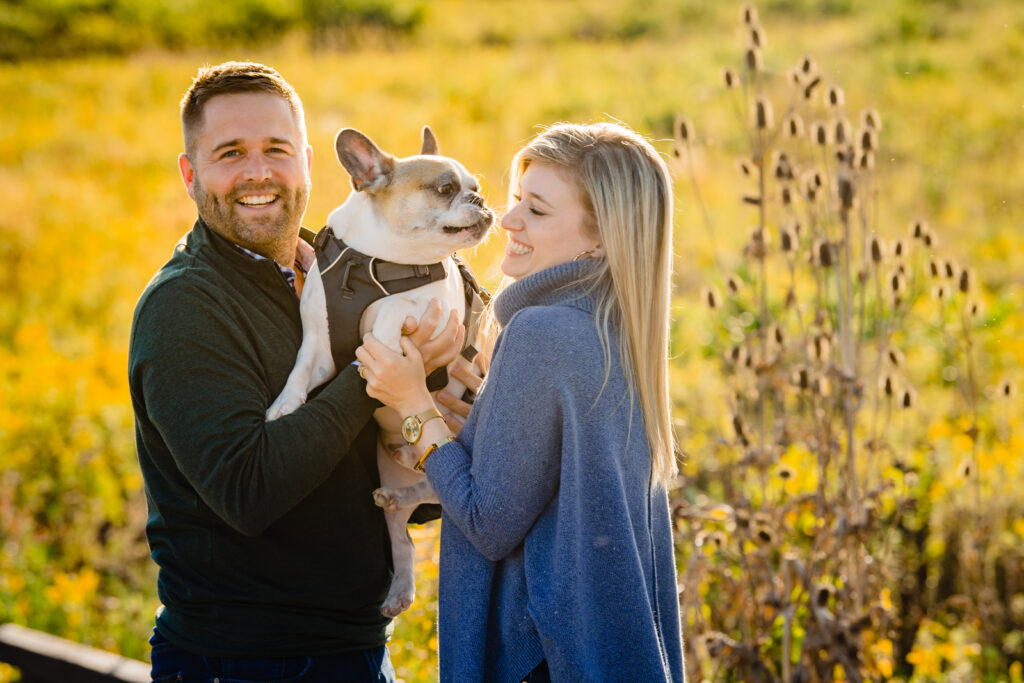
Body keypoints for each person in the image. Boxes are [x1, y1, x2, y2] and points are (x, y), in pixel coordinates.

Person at [128, 61, 460, 682]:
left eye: (276, 150)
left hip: (357, 650)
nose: (258, 172)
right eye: (230, 153)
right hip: (245, 661)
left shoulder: (345, 276)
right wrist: (380, 372)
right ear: (189, 172)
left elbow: (367, 489)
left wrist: (429, 409)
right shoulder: (184, 306)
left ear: (307, 162)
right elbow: (249, 492)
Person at [357, 122, 685, 682]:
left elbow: (488, 524)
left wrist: (414, 406)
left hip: (541, 660)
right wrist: (483, 432)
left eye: (535, 210)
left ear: (600, 237)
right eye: (513, 201)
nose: (506, 221)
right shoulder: (613, 326)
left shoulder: (542, 332)